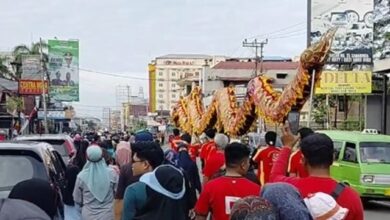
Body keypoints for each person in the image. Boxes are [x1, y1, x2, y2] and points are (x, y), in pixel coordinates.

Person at [269, 122, 364, 220]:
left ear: (303, 160)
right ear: (332, 158)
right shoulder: (351, 197)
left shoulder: (290, 189)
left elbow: (274, 178)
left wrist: (287, 147)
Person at [195, 142, 261, 220]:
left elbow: (200, 216)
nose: (249, 165)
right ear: (243, 165)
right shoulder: (256, 189)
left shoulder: (210, 187)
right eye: (248, 162)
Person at [121, 141, 165, 220]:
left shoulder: (133, 191)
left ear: (145, 164)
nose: (131, 164)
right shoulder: (172, 183)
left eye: (134, 161)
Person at [73, 145, 118, 220]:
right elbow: (117, 194)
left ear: (87, 157)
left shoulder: (81, 176)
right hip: (108, 215)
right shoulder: (112, 174)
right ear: (102, 157)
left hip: (88, 216)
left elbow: (77, 199)